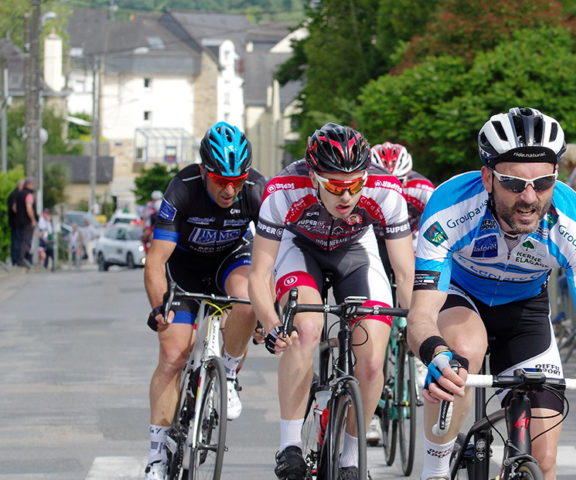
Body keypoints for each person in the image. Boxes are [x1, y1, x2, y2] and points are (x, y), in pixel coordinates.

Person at [409, 107, 576, 480]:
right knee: (465, 349)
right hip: (461, 297)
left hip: (525, 311)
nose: (530, 197)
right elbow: (421, 315)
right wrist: (436, 352)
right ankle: (435, 471)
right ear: (488, 178)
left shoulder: (573, 224)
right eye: (514, 184)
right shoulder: (451, 206)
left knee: (544, 459)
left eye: (544, 182)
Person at [250, 123, 412, 480]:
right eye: (336, 186)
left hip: (355, 249)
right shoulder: (283, 191)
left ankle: (351, 458)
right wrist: (273, 324)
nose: (347, 196)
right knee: (307, 328)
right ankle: (290, 446)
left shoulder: (386, 189)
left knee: (373, 361)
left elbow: (404, 272)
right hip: (299, 247)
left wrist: (417, 329)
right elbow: (259, 273)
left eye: (356, 184)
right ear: (313, 177)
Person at [141, 122, 268, 480]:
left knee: (247, 300)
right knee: (173, 357)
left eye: (237, 181)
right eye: (220, 180)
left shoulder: (257, 190)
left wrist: (268, 314)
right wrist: (158, 308)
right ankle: (156, 456)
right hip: (184, 269)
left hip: (231, 261)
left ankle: (229, 374)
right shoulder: (183, 188)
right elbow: (156, 261)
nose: (229, 189)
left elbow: (271, 259)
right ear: (203, 172)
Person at [370, 141, 435, 234]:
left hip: (412, 234)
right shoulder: (363, 189)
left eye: (398, 182)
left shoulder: (421, 189)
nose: (391, 189)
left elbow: (440, 213)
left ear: (406, 176)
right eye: (382, 183)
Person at [7, 179, 26, 266]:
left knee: (17, 241)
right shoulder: (15, 194)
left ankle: (16, 260)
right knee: (17, 241)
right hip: (16, 222)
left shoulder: (14, 193)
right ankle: (15, 260)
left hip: (15, 222)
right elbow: (14, 208)